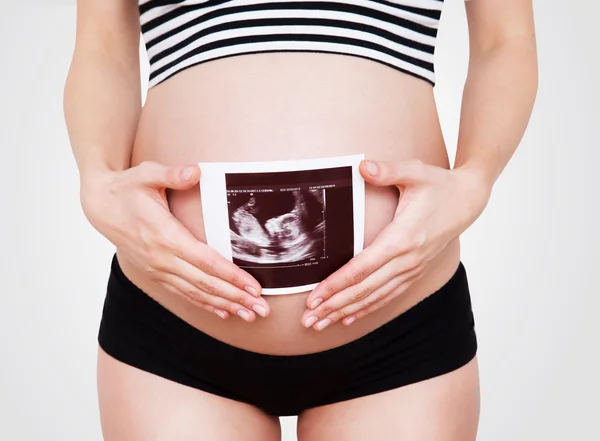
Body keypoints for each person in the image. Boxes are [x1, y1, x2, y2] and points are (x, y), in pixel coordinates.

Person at [63, 0, 537, 439]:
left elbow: (505, 40)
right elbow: (103, 47)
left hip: (398, 326)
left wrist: (475, 179)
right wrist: (97, 181)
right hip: (174, 326)